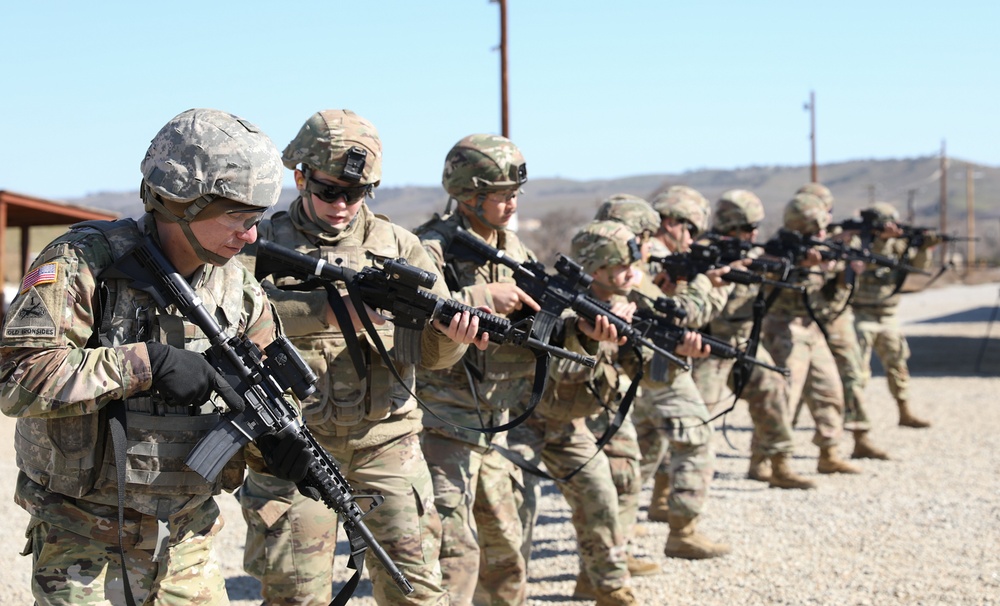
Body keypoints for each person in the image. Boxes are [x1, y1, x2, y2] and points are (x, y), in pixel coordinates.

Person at [0, 107, 288, 604]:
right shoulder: (84, 264)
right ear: (183, 203)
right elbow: (17, 377)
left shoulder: (240, 289)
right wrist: (147, 364)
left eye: (257, 219)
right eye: (238, 218)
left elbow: (270, 397)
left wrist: (278, 444)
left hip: (188, 545)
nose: (251, 236)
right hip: (84, 544)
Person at [237, 109, 484, 606]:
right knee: (294, 596)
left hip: (385, 443)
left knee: (416, 591)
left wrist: (453, 335)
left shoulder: (401, 248)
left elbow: (429, 358)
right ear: (300, 176)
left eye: (356, 194)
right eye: (329, 191)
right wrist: (325, 309)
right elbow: (230, 321)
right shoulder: (257, 244)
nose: (342, 205)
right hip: (295, 447)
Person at [412, 134, 536, 605]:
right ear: (470, 194)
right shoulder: (431, 247)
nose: (512, 203)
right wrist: (483, 298)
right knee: (453, 553)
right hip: (444, 424)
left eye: (515, 194)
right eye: (502, 194)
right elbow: (418, 312)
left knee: (507, 550)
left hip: (494, 427)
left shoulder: (513, 246)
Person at [509, 219, 646, 606]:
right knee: (516, 509)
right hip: (523, 418)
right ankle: (504, 593)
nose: (632, 274)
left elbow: (646, 373)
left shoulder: (630, 303)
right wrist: (589, 336)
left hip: (569, 423)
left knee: (599, 494)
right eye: (622, 267)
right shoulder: (559, 299)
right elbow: (557, 367)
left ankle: (605, 584)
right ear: (597, 269)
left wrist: (630, 337)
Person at [691, 189, 815, 489]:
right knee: (694, 417)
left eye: (755, 228)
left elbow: (779, 288)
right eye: (747, 228)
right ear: (729, 226)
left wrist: (792, 267)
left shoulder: (751, 252)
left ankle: (777, 464)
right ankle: (667, 488)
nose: (753, 233)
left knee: (773, 392)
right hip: (707, 346)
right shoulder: (701, 254)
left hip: (744, 342)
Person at [635, 187, 733, 560]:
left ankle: (616, 540)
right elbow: (685, 313)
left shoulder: (643, 254)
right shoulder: (659, 259)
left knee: (642, 451)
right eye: (688, 229)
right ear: (671, 222)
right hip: (658, 367)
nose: (690, 239)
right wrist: (710, 284)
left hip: (640, 368)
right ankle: (683, 531)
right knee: (695, 437)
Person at [760, 192, 861, 475]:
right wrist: (799, 267)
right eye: (815, 229)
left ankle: (829, 453)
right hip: (782, 329)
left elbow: (829, 294)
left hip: (811, 328)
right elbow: (766, 277)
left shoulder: (820, 247)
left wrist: (841, 269)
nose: (822, 233)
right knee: (783, 399)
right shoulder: (777, 250)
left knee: (829, 392)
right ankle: (771, 462)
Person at [793, 182, 890, 460]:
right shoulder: (796, 241)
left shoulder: (839, 236)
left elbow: (866, 264)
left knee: (850, 375)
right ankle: (778, 448)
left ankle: (859, 436)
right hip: (803, 318)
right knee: (796, 383)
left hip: (835, 316)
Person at [852, 201, 937, 428]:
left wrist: (924, 248)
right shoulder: (858, 241)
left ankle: (904, 411)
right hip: (860, 313)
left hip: (887, 314)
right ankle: (853, 416)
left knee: (898, 364)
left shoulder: (898, 245)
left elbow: (917, 268)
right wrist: (882, 240)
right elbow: (869, 261)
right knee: (857, 370)